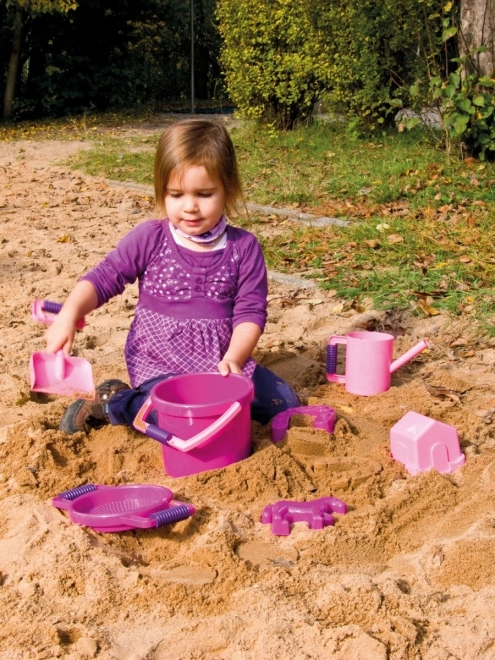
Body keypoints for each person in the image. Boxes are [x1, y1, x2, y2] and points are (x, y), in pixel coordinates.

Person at [45, 118, 300, 435]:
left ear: (228, 189)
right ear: (161, 191)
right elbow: (103, 278)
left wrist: (235, 359)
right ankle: (114, 401)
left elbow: (250, 312)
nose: (190, 207)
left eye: (204, 194)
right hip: (161, 368)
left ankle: (145, 401)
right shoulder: (151, 238)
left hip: (220, 367)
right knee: (174, 417)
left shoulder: (243, 248)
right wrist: (70, 314)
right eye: (176, 194)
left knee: (284, 405)